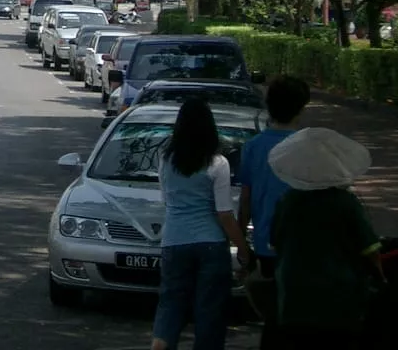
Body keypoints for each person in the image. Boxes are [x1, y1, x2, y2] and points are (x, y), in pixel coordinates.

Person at [268, 127, 383, 349]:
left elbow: (275, 245)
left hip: (295, 298)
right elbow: (371, 250)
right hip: (339, 300)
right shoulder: (346, 203)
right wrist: (381, 278)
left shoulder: (288, 202)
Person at [152, 98, 252, 350]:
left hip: (174, 240)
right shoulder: (217, 163)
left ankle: (161, 342)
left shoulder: (165, 159)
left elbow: (166, 201)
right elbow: (224, 214)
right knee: (210, 311)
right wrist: (242, 247)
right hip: (210, 244)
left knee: (171, 302)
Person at [237, 76, 311, 349]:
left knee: (273, 317)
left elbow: (246, 200)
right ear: (302, 108)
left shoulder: (254, 147)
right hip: (302, 245)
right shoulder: (308, 148)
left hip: (265, 243)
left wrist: (242, 243)